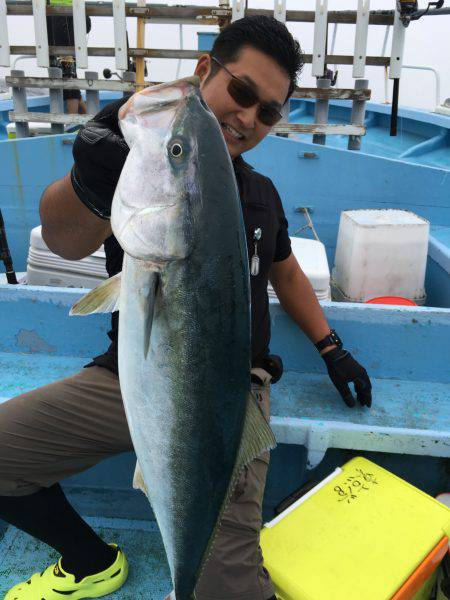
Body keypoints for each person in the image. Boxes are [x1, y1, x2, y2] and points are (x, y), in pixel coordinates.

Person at [0, 16, 372, 600]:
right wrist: (88, 183)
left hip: (228, 393)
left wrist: (332, 348)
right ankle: (90, 559)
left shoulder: (262, 195)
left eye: (268, 111)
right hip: (128, 379)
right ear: (205, 71)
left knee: (222, 588)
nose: (248, 117)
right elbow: (67, 239)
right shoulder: (141, 173)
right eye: (242, 92)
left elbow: (286, 270)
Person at [46, 0, 92, 114]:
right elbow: (86, 25)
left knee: (69, 84)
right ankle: (90, 121)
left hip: (55, 40)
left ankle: (74, 120)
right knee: (70, 83)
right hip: (63, 39)